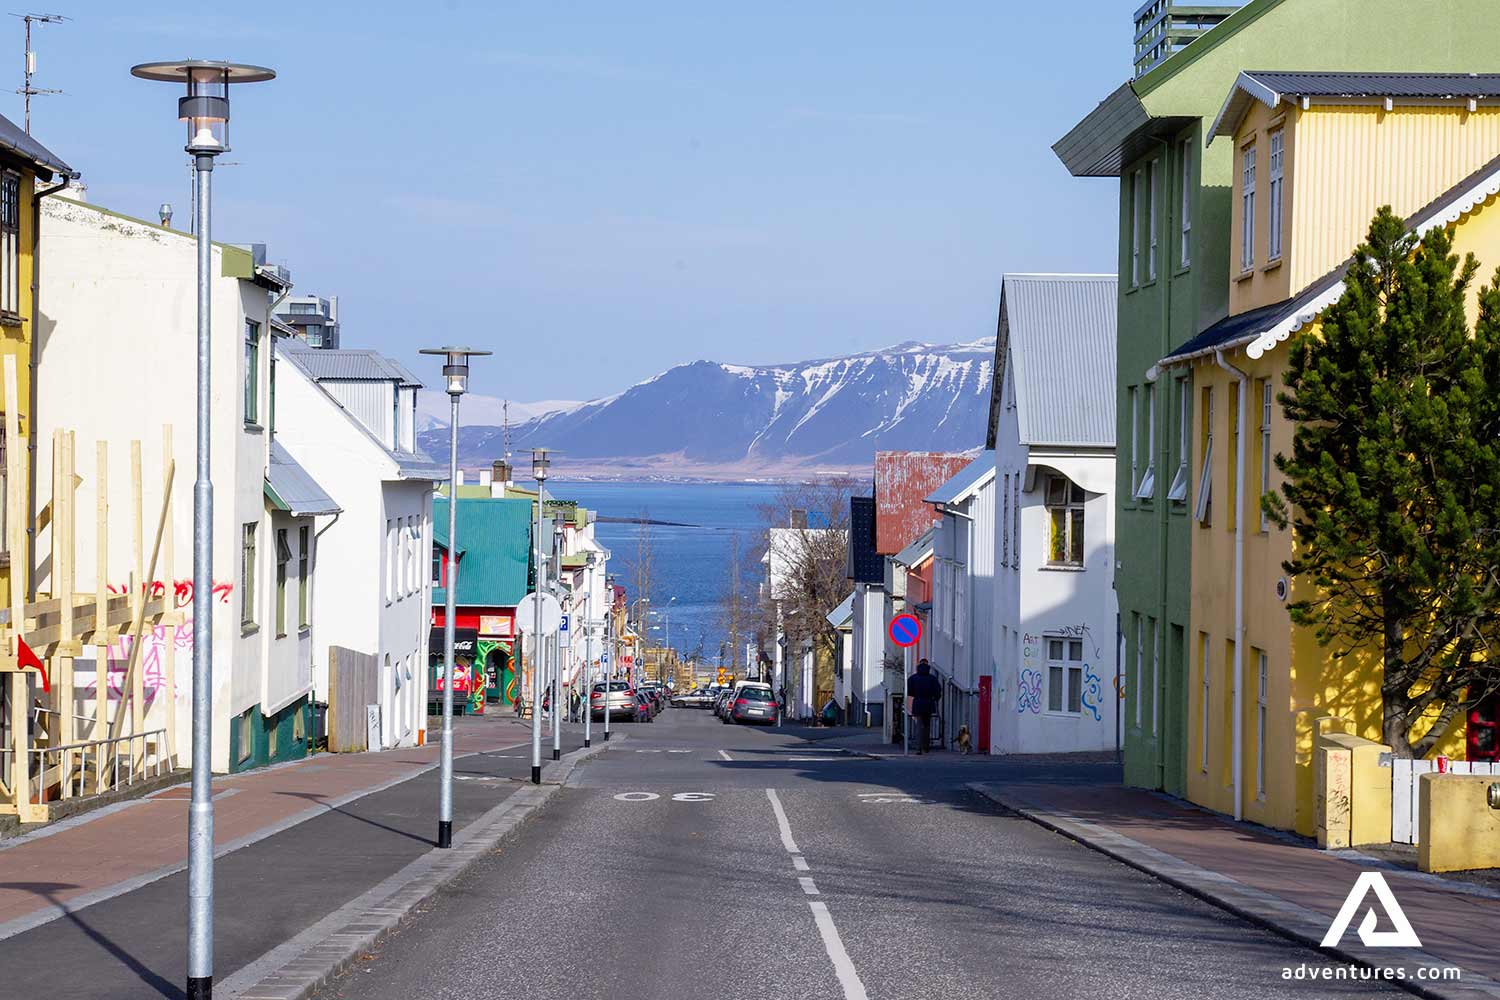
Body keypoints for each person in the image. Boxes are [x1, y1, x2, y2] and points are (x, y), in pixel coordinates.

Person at [906, 659, 942, 754]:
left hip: (918, 702)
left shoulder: (913, 678)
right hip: (929, 703)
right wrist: (935, 699)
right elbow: (938, 691)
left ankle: (918, 748)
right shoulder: (932, 678)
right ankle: (926, 747)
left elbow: (909, 691)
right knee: (927, 726)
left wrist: (916, 695)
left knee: (919, 726)